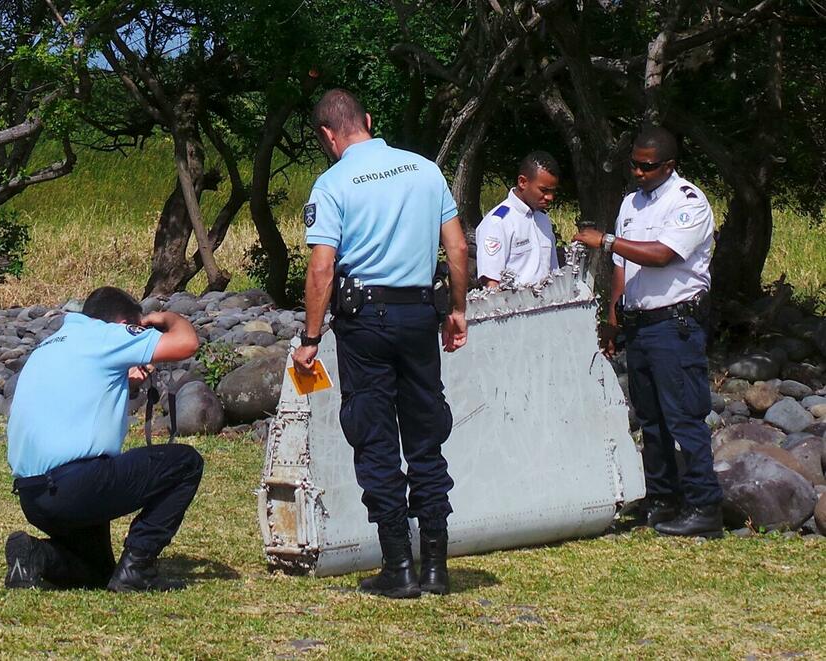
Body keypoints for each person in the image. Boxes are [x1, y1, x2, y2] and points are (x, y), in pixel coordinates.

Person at [292, 89, 469, 598]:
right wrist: (457, 311)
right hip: (419, 315)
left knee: (374, 438)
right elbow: (456, 245)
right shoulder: (424, 169)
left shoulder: (332, 184)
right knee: (426, 436)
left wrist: (309, 337)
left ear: (328, 135)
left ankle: (398, 566)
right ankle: (436, 563)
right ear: (369, 120)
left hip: (365, 322)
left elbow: (322, 267)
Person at [573, 126, 724, 538]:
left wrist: (604, 240)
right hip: (640, 323)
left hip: (674, 324)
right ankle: (661, 498)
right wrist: (613, 317)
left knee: (684, 417)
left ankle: (704, 504)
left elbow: (660, 256)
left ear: (669, 166)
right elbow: (624, 268)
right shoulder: (630, 203)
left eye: (647, 166)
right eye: (634, 164)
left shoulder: (688, 202)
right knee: (650, 419)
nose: (638, 172)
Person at [4, 286, 203, 592]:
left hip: (34, 496)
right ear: (126, 325)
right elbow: (187, 343)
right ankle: (138, 566)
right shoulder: (108, 336)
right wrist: (166, 317)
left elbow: (79, 398)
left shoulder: (51, 345)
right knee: (185, 463)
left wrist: (127, 382)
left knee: (96, 571)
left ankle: (35, 555)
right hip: (75, 485)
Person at [475, 151, 561, 288]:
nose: (550, 197)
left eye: (552, 191)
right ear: (523, 182)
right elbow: (491, 281)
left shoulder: (543, 220)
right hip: (514, 307)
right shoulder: (499, 222)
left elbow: (553, 272)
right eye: (544, 190)